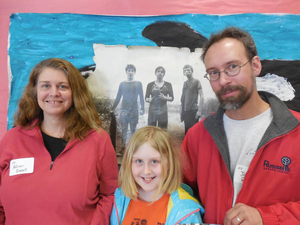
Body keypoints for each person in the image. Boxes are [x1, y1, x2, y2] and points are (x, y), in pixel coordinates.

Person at [181, 27, 300, 225]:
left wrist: (265, 218)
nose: (224, 80)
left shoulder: (296, 132)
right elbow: (179, 196)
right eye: (214, 72)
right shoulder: (197, 136)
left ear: (255, 66)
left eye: (233, 67)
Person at [0, 58, 119, 225]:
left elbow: (110, 195)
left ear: (75, 92)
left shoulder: (98, 140)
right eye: (45, 85)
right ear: (35, 91)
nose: (54, 93)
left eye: (62, 86)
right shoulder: (12, 139)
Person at [110, 126, 204, 224]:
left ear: (169, 163)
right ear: (129, 163)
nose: (146, 171)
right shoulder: (120, 199)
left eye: (154, 161)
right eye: (139, 161)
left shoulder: (186, 211)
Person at [111, 64, 145, 151]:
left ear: (134, 72)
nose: (130, 72)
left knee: (133, 129)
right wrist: (113, 107)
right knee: (124, 130)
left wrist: (142, 108)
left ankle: (132, 147)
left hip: (134, 109)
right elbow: (118, 97)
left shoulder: (138, 84)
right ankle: (123, 147)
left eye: (132, 71)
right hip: (124, 110)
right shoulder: (122, 84)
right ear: (126, 72)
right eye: (129, 70)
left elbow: (141, 96)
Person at [181, 64, 204, 134]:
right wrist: (182, 113)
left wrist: (199, 111)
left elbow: (202, 96)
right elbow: (183, 99)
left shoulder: (196, 82)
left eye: (188, 70)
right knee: (187, 133)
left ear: (192, 71)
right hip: (186, 111)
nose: (187, 71)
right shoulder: (185, 83)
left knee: (195, 133)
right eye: (185, 70)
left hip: (194, 111)